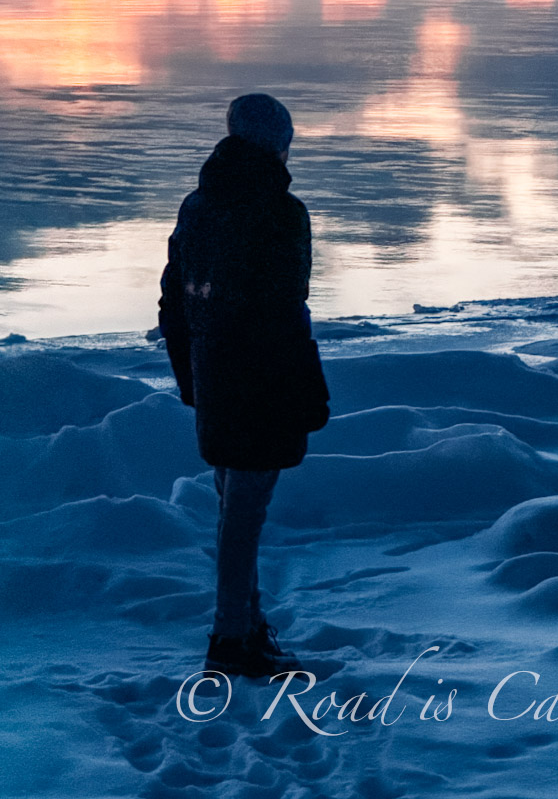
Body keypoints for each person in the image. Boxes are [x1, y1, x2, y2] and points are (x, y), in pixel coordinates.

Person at [159, 93, 329, 677]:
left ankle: (246, 624)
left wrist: (192, 378)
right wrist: (308, 390)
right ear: (277, 144)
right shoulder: (282, 214)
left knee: (235, 508)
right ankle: (231, 640)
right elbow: (286, 310)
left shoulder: (196, 206)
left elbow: (173, 302)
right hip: (259, 380)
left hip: (214, 375)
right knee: (243, 516)